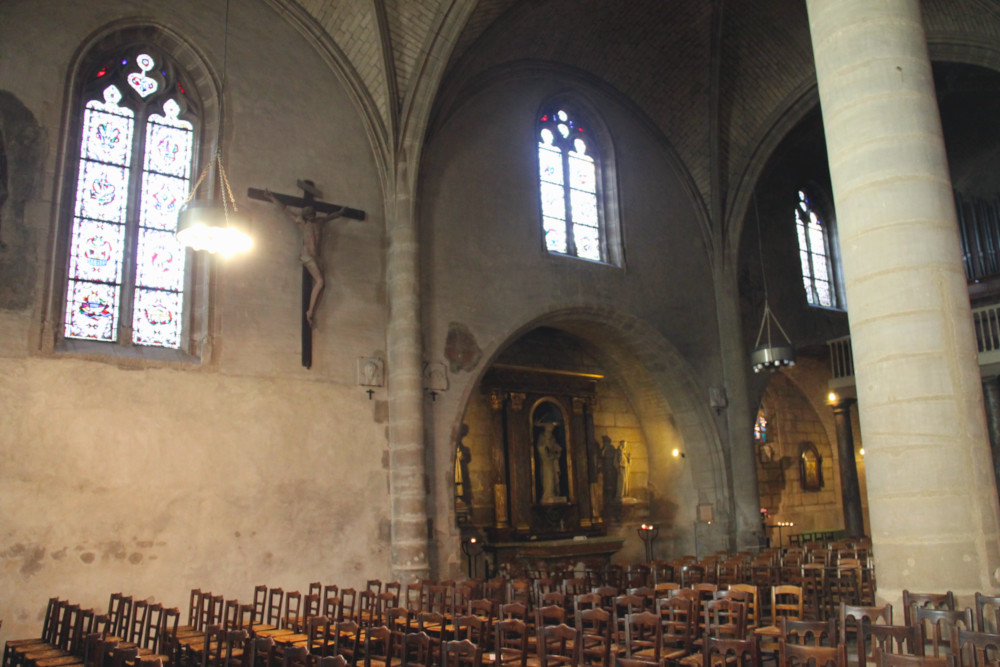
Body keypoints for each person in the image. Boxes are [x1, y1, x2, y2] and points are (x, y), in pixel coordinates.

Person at [266, 189, 346, 327]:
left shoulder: (319, 222)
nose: (312, 217)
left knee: (322, 285)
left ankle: (311, 312)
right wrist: (272, 198)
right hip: (307, 256)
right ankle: (309, 311)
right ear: (306, 216)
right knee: (320, 282)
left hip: (317, 257)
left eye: (313, 215)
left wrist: (339, 213)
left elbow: (330, 217)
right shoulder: (302, 223)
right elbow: (286, 210)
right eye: (309, 215)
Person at [535, 420, 563, 502]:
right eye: (550, 425)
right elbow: (541, 448)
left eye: (552, 426)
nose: (551, 427)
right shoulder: (542, 436)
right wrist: (547, 451)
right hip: (546, 462)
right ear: (546, 426)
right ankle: (548, 494)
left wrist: (556, 450)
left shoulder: (553, 437)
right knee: (548, 478)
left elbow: (556, 447)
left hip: (553, 461)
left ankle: (554, 493)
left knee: (555, 478)